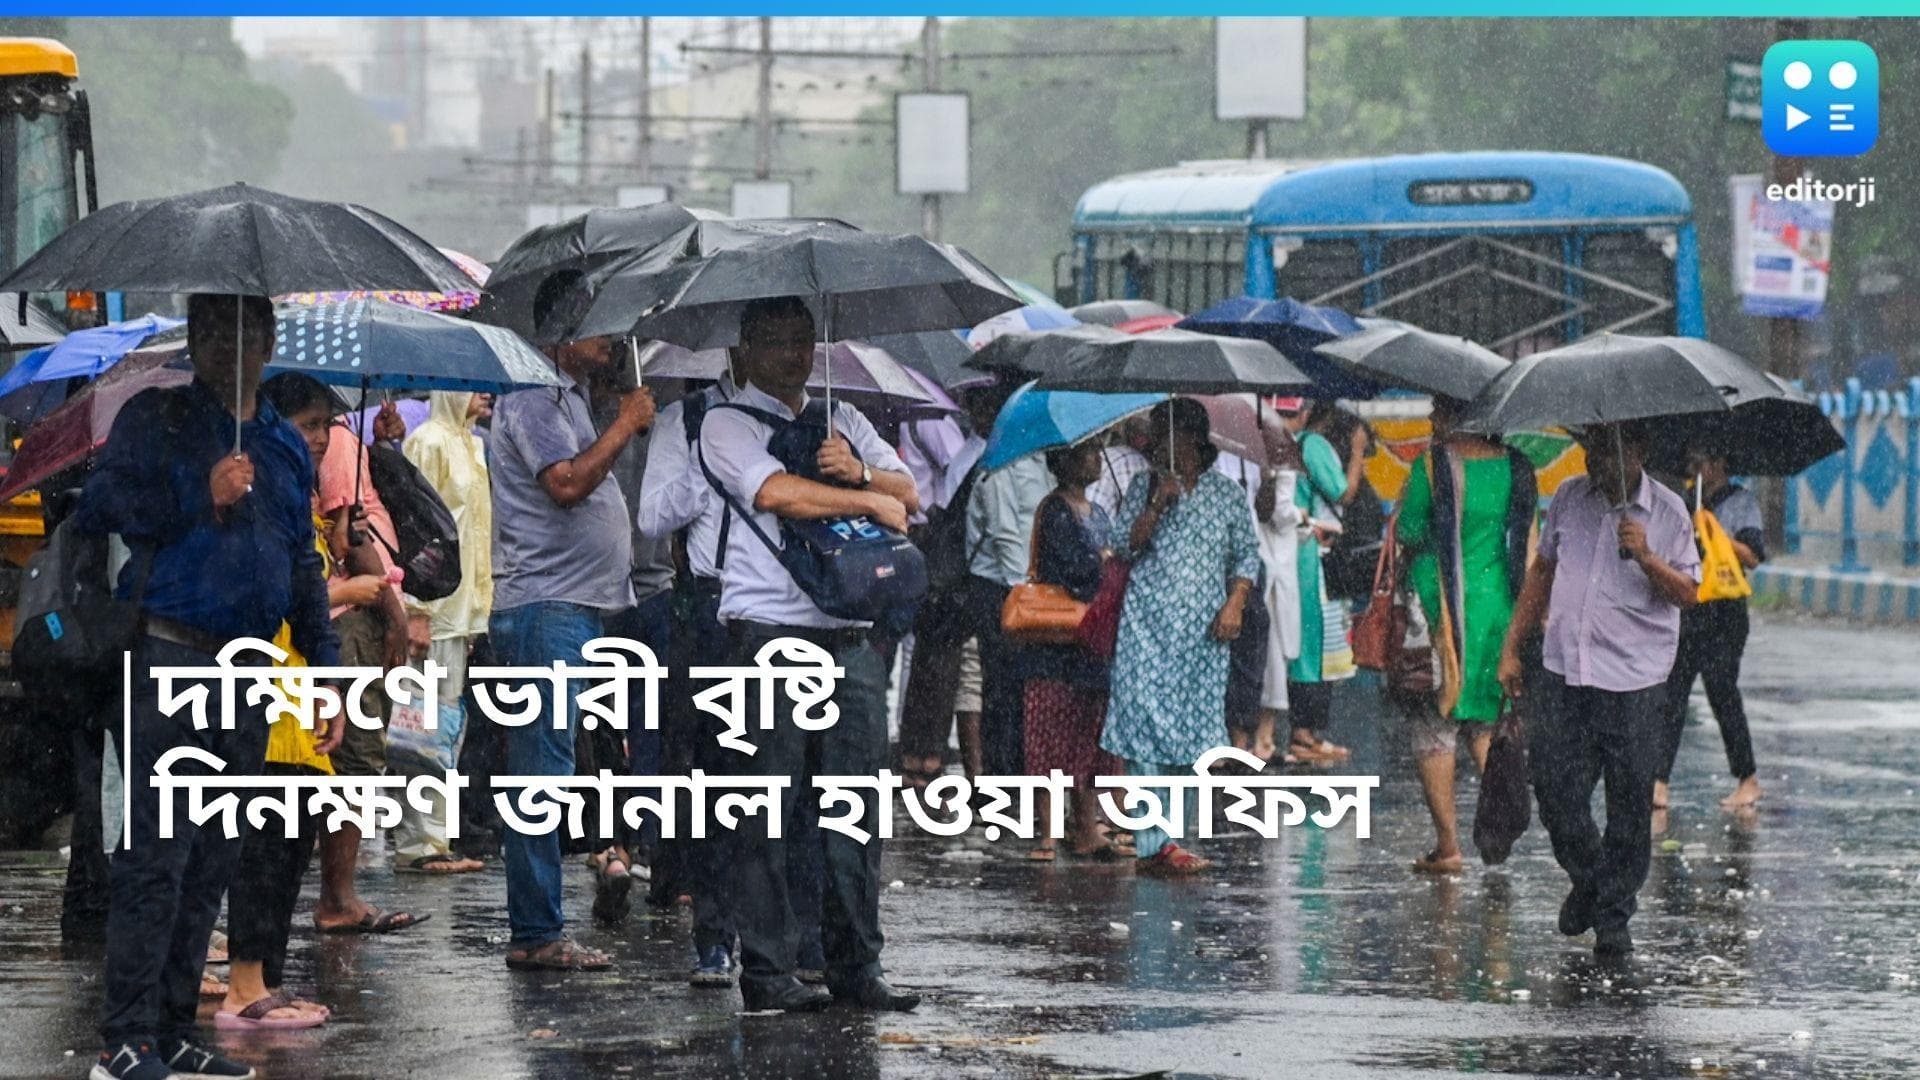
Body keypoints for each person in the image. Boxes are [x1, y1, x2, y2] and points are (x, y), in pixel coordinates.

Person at [77, 293, 339, 1080]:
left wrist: (323, 674)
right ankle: (125, 1039)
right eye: (214, 330)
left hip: (249, 675)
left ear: (268, 341)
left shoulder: (285, 448)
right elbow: (103, 507)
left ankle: (174, 1029)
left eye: (246, 331)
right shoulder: (156, 418)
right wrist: (202, 491)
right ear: (194, 339)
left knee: (212, 861)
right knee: (158, 856)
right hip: (170, 661)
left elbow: (301, 565)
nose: (231, 345)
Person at [698, 294, 921, 1013]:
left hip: (849, 634)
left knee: (854, 806)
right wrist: (864, 502)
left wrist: (860, 476)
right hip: (769, 634)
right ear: (746, 348)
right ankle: (766, 973)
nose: (796, 356)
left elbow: (908, 493)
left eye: (806, 341)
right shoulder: (724, 422)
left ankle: (858, 966)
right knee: (768, 809)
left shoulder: (843, 420)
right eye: (779, 342)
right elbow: (775, 492)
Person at [488, 274, 656, 971]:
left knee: (566, 767)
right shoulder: (532, 398)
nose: (614, 339)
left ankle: (543, 923)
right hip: (543, 609)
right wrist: (625, 423)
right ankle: (536, 933)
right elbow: (564, 484)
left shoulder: (572, 399)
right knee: (541, 774)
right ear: (559, 332)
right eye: (601, 325)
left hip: (577, 608)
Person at [1499, 422, 1699, 957]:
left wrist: (1648, 556)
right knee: (1555, 790)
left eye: (1607, 452)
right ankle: (1590, 880)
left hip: (1635, 678)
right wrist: (1511, 647)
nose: (1595, 463)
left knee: (1630, 802)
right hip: (1565, 669)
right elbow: (1542, 574)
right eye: (1589, 451)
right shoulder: (1568, 497)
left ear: (1639, 450)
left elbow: (1689, 594)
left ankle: (1613, 916)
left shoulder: (1669, 513)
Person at [221, 373, 377, 1032]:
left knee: (286, 853)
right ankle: (245, 988)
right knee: (262, 854)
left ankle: (269, 982)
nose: (321, 439)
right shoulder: (250, 496)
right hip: (267, 709)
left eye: (326, 427)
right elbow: (278, 597)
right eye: (311, 424)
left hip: (299, 711)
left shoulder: (293, 503)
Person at [1100, 399, 1261, 877]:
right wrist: (1156, 501)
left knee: (1193, 735)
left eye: (1163, 434)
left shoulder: (1227, 494)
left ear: (1191, 438)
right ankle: (1155, 844)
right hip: (1147, 630)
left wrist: (1235, 603)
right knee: (1146, 732)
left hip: (1203, 637)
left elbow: (1246, 557)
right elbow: (1125, 544)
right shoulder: (1142, 486)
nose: (1154, 443)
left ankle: (1168, 837)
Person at [1394, 395, 1537, 874]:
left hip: (1442, 611)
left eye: (1439, 410)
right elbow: (1528, 542)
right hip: (1499, 608)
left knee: (1435, 725)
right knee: (1484, 723)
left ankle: (1449, 845)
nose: (1432, 419)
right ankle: (1497, 834)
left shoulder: (1434, 467)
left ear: (1460, 415)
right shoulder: (1519, 468)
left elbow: (1409, 530)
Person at [311, 392, 424, 934]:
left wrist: (381, 447)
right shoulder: (332, 442)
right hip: (354, 613)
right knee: (354, 761)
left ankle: (338, 893)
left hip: (351, 610)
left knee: (347, 761)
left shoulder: (343, 441)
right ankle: (339, 897)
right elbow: (349, 535)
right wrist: (395, 616)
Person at [389, 390, 494, 875]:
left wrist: (476, 613)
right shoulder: (428, 442)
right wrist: (416, 609)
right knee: (421, 726)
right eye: (472, 387)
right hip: (432, 612)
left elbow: (474, 537)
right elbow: (415, 531)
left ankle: (436, 836)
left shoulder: (471, 444)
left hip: (460, 616)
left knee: (445, 728)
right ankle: (420, 844)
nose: (485, 393)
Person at [1022, 441, 1125, 861]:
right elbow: (1077, 570)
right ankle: (1047, 832)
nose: (1096, 458)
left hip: (1090, 645)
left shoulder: (1098, 513)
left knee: (1087, 735)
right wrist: (1106, 561)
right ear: (1065, 462)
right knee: (1050, 736)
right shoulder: (1054, 511)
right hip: (1055, 647)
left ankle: (1086, 826)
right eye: (1087, 453)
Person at [1655, 440, 1766, 811]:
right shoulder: (1682, 501)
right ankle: (1659, 781)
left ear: (1718, 464)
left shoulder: (1741, 502)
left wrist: (1715, 532)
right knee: (1673, 697)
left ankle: (1747, 778)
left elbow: (1752, 557)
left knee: (1723, 693)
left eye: (1700, 461)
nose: (1694, 468)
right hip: (1689, 607)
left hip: (1725, 614)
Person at [964, 407, 1056, 779]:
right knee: (1000, 685)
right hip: (1001, 589)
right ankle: (1001, 776)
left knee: (1023, 686)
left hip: (1028, 589)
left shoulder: (1043, 465)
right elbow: (1004, 534)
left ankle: (1021, 770)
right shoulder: (1002, 465)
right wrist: (1024, 594)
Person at [1282, 400, 1358, 765]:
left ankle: (1300, 731)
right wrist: (1357, 453)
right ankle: (1305, 733)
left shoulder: (1275, 443)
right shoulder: (1311, 444)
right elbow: (1344, 492)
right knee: (1315, 647)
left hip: (1287, 550)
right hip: (1310, 555)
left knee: (1297, 644)